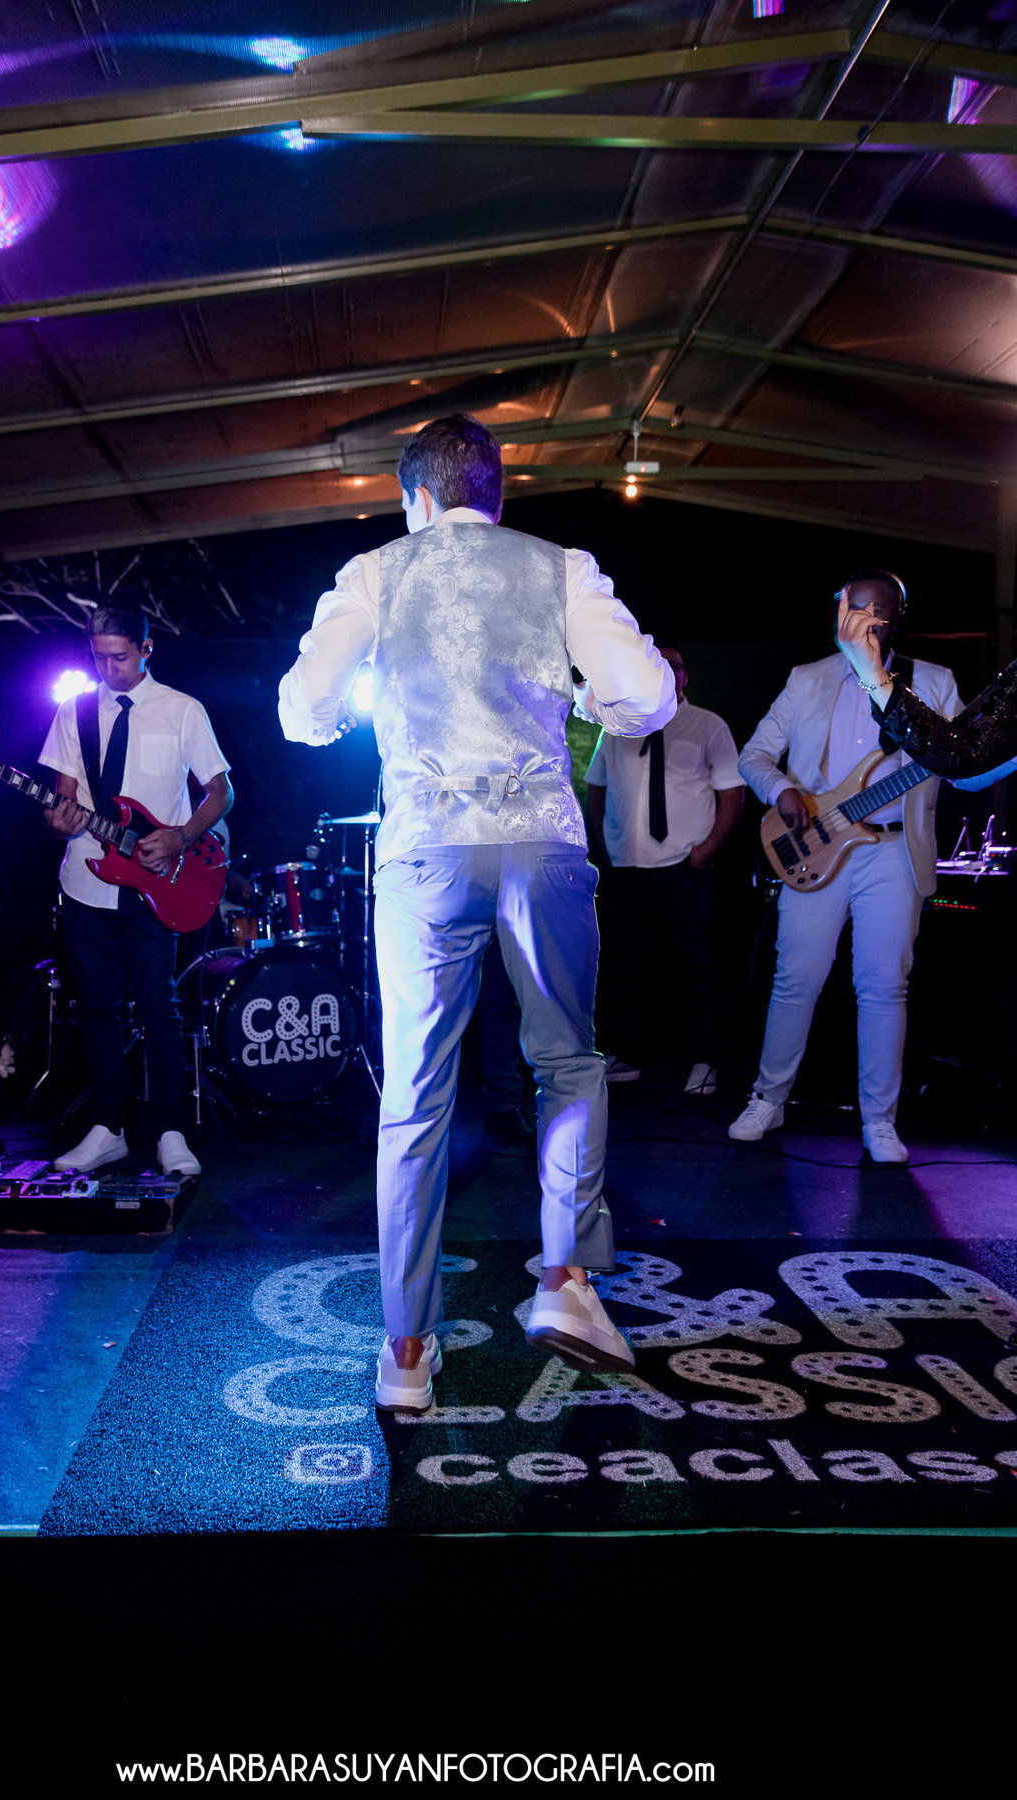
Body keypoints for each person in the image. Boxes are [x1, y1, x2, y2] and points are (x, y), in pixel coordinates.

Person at [279, 413, 675, 1411]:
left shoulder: (376, 573)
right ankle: (566, 1279)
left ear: (416, 496)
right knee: (568, 1063)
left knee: (415, 1096)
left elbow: (302, 711)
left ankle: (406, 1354)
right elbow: (648, 697)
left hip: (425, 849)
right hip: (541, 840)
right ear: (497, 494)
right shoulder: (560, 568)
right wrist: (587, 703)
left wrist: (355, 707)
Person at [731, 569, 961, 1164]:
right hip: (815, 843)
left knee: (884, 988)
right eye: (852, 607)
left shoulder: (934, 682)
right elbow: (753, 755)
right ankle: (768, 1098)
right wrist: (782, 790)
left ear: (897, 619)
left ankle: (879, 1121)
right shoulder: (807, 678)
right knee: (795, 980)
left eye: (875, 610)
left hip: (893, 851)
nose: (861, 619)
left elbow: (962, 764)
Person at [40, 604, 232, 1176]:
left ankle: (171, 1130)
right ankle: (108, 1129)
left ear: (147, 648)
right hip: (86, 881)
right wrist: (58, 820)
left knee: (158, 1007)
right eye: (98, 658)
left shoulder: (182, 709)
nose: (108, 669)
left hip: (155, 883)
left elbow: (220, 792)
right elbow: (63, 797)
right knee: (96, 1008)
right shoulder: (73, 711)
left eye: (119, 657)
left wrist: (180, 836)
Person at [585, 641, 743, 1095]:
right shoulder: (616, 726)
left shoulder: (707, 725)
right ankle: (625, 1053)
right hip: (626, 866)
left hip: (682, 864)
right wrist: (606, 847)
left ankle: (702, 1059)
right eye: (658, 664)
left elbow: (732, 794)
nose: (667, 672)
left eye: (674, 665)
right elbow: (596, 788)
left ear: (685, 676)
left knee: (692, 962)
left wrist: (706, 851)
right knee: (623, 962)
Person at [836, 596, 1017, 786]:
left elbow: (960, 756)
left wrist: (872, 674)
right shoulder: (814, 676)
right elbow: (969, 775)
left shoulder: (937, 677)